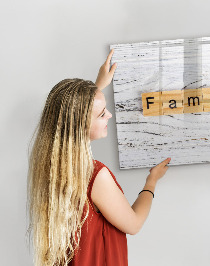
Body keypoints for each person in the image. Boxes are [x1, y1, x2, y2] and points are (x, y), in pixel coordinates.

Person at [27, 49, 171, 266]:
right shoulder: (95, 176)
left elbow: (73, 112)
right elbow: (134, 224)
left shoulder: (49, 165)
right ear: (81, 124)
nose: (109, 115)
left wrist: (97, 86)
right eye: (102, 113)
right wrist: (152, 181)